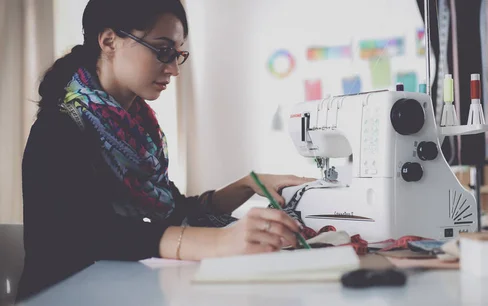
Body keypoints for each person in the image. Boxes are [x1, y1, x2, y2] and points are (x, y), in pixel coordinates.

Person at [18, 0, 312, 299]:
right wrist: (218, 243)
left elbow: (174, 211)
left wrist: (248, 184)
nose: (173, 69)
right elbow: (89, 234)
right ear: (109, 41)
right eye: (162, 50)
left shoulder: (139, 131)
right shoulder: (59, 128)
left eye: (177, 54)